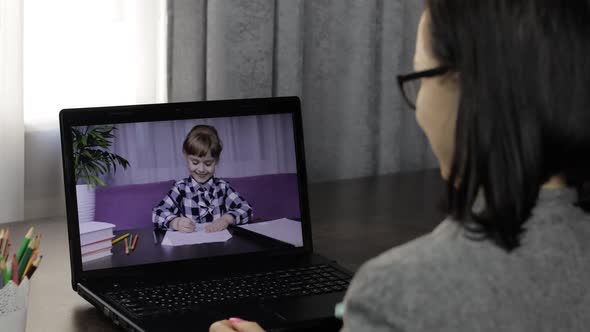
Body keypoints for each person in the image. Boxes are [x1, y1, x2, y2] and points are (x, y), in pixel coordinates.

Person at [210, 0, 590, 331]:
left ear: (470, 89)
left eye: (420, 76)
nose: (420, 107)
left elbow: (244, 209)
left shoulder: (398, 290)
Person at [152, 125, 253, 233]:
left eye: (208, 163)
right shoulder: (180, 188)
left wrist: (226, 219)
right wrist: (175, 222)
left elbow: (247, 210)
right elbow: (157, 213)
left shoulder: (223, 187)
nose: (201, 169)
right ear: (186, 158)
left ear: (216, 161)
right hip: (189, 248)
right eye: (195, 162)